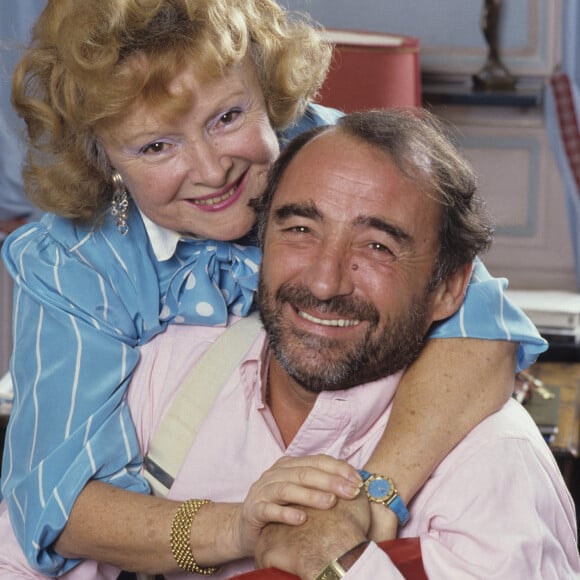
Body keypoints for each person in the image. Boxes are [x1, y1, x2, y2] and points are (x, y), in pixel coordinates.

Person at [0, 0, 545, 576]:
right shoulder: (73, 260)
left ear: (267, 89)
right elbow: (57, 505)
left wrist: (371, 496)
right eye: (156, 146)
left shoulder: (341, 164)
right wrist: (238, 529)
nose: (212, 170)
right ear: (102, 157)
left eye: (227, 117)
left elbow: (481, 324)